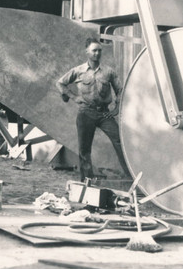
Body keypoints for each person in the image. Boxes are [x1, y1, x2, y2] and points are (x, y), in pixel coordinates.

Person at [56, 37, 131, 181]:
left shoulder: (108, 72)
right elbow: (60, 83)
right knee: (84, 149)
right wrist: (73, 96)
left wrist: (116, 108)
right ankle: (87, 181)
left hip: (104, 113)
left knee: (120, 141)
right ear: (87, 52)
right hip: (86, 112)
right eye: (94, 51)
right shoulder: (78, 71)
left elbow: (120, 90)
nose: (97, 54)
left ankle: (131, 177)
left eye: (99, 51)